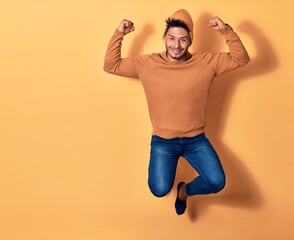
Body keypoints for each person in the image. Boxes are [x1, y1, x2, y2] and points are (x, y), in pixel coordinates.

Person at [103, 9, 250, 215]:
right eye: (171, 38)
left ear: (190, 41)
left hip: (195, 140)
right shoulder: (148, 64)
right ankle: (171, 186)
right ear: (164, 38)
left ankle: (184, 192)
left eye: (183, 40)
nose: (176, 45)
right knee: (159, 189)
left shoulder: (206, 63)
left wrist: (226, 31)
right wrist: (120, 34)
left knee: (217, 181)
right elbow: (111, 65)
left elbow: (241, 59)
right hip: (163, 141)